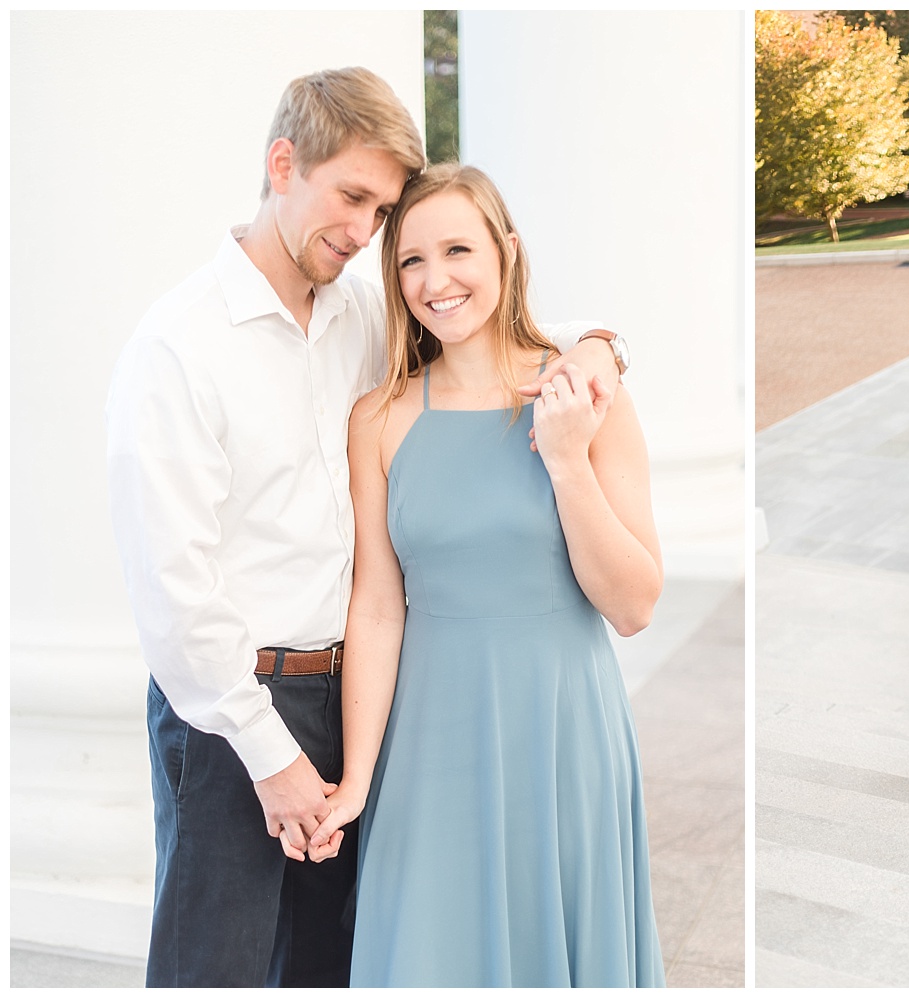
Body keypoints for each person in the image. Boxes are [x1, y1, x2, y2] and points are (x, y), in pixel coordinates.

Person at [105, 68, 623, 987]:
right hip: (233, 712)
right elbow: (173, 591)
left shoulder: (358, 309)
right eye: (350, 195)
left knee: (328, 970)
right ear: (281, 164)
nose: (362, 231)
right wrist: (274, 761)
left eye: (381, 211)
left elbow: (488, 312)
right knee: (211, 972)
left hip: (356, 698)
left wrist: (598, 346)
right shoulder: (177, 346)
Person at [304, 163, 665, 987]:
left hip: (563, 732)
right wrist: (359, 777)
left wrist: (568, 460)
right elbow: (376, 609)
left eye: (458, 249)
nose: (437, 281)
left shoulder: (587, 392)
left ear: (507, 252)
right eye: (411, 261)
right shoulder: (379, 418)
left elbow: (635, 604)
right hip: (429, 740)